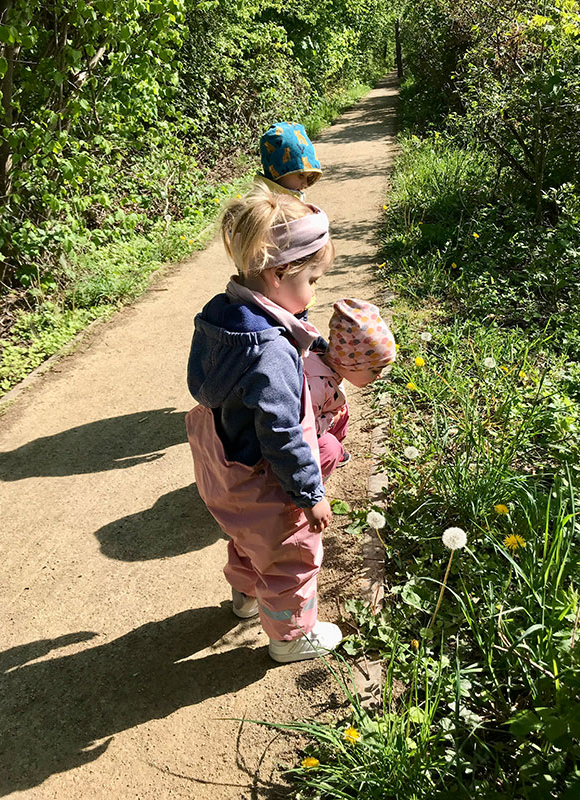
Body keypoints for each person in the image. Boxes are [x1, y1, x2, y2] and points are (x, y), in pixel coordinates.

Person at [185, 183, 342, 663]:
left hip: (221, 467)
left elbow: (200, 384)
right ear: (278, 274)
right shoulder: (271, 352)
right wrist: (309, 494)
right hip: (261, 478)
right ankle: (290, 639)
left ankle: (245, 599)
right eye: (311, 280)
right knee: (289, 554)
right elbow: (281, 433)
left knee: (244, 536)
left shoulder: (221, 317)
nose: (313, 292)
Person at [304, 298, 397, 479]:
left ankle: (333, 452)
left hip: (320, 417)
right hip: (301, 443)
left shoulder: (325, 362)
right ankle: (304, 492)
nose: (378, 376)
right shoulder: (314, 387)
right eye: (375, 369)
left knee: (341, 409)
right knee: (329, 447)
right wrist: (329, 420)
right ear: (351, 362)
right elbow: (301, 432)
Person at [254, 122, 322, 202]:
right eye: (300, 175)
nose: (305, 184)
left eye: (308, 177)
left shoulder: (291, 198)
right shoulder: (265, 206)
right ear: (280, 171)